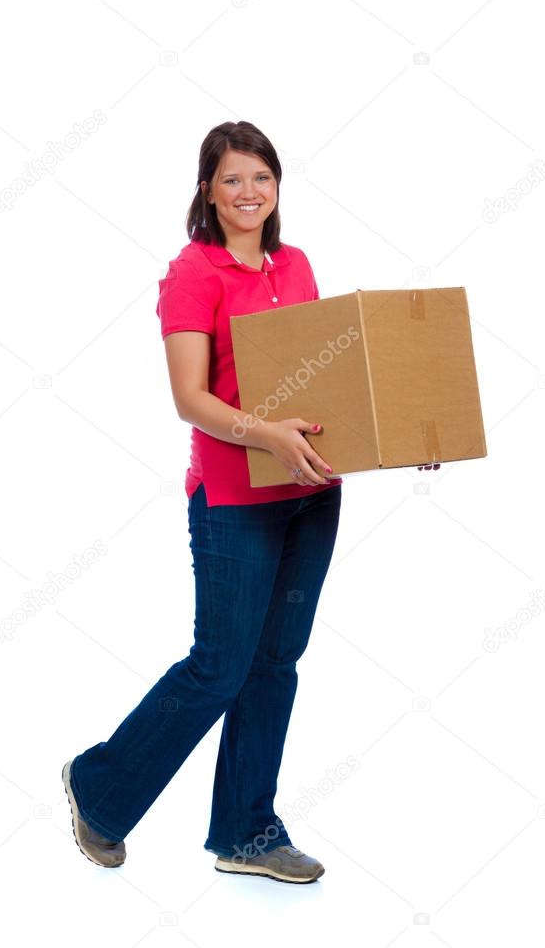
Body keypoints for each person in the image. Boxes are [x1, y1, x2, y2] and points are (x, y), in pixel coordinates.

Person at [62, 120, 439, 886]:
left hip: (312, 493)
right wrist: (262, 431)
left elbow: (333, 380)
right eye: (232, 179)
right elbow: (188, 398)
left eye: (261, 178)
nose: (248, 193)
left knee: (276, 662)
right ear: (208, 189)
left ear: (277, 187)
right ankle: (98, 786)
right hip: (234, 500)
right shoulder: (194, 273)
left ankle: (247, 829)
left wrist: (401, 431)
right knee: (218, 667)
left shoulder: (295, 264)